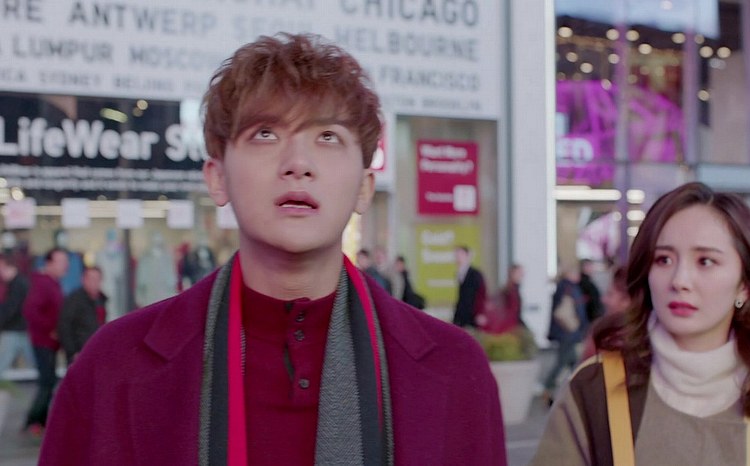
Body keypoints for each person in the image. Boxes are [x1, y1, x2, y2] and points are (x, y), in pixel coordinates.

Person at [40, 33, 505, 465]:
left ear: (364, 188)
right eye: (265, 134)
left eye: (328, 137)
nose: (298, 163)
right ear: (217, 178)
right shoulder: (112, 369)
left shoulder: (455, 370)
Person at [531, 182, 750, 465]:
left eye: (705, 261)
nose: (679, 280)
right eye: (663, 260)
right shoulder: (596, 388)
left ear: (745, 286)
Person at [22, 247, 69, 434]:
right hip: (43, 341)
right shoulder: (42, 283)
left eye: (66, 262)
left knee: (49, 381)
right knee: (47, 382)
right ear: (49, 263)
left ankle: (40, 422)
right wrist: (50, 329)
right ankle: (33, 421)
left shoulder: (53, 283)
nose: (65, 266)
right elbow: (31, 311)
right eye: (61, 262)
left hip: (49, 342)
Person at [541, 263, 587, 402]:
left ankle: (571, 389)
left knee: (573, 361)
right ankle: (548, 389)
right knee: (563, 362)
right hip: (568, 331)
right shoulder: (568, 288)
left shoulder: (564, 287)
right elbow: (569, 310)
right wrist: (580, 325)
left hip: (567, 332)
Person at [58, 266, 108, 364]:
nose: (94, 283)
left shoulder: (101, 300)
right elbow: (65, 326)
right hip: (80, 352)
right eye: (91, 279)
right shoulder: (75, 300)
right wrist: (72, 351)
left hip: (97, 351)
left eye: (97, 279)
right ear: (83, 280)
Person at [581, 265, 629, 360]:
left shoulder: (601, 334)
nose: (603, 300)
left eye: (610, 294)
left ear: (627, 300)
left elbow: (586, 366)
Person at [0, 254, 33, 379]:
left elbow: (10, 309)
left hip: (15, 330)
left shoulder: (17, 284)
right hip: (21, 330)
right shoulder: (16, 283)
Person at [452, 245, 487, 328]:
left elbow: (481, 294)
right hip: (461, 314)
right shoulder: (459, 273)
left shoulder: (475, 274)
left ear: (467, 256)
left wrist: (480, 313)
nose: (458, 258)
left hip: (472, 315)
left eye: (461, 254)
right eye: (456, 255)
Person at [578, 258, 603, 323]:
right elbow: (592, 301)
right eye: (589, 266)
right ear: (583, 267)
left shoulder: (586, 281)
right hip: (590, 317)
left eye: (591, 266)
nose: (592, 268)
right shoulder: (585, 283)